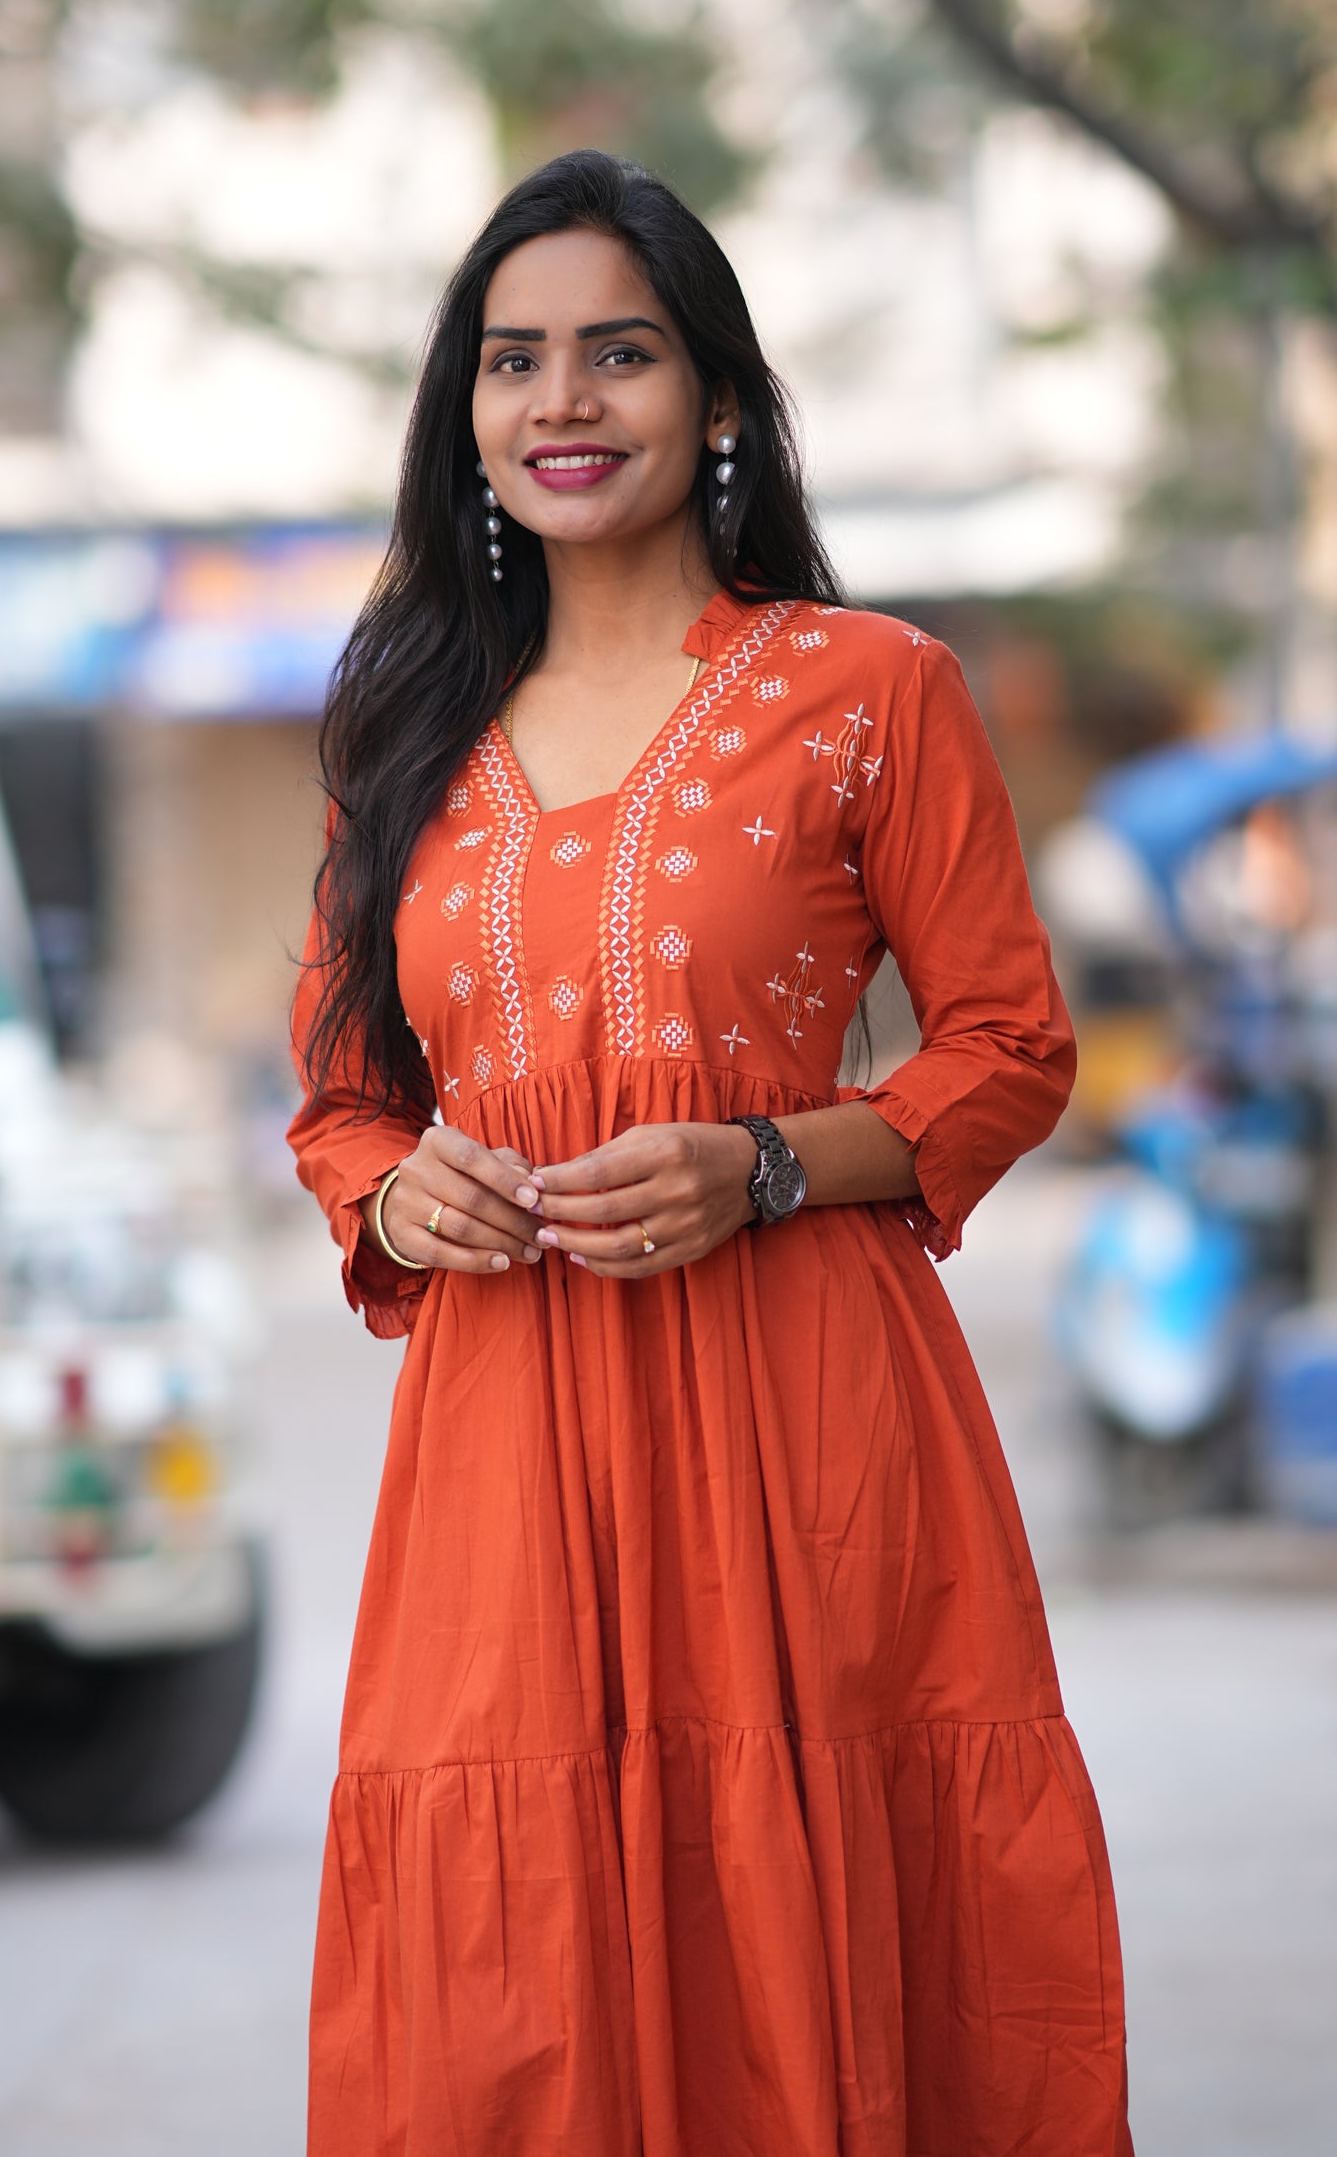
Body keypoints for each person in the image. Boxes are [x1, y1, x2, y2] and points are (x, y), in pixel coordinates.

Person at [288, 148, 1133, 2157]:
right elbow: (340, 1097)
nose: (561, 402)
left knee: (822, 1906)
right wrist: (396, 1187)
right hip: (504, 1443)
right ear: (464, 410)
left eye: (621, 352)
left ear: (725, 399)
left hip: (805, 1423)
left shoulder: (871, 692)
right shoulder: (402, 720)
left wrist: (765, 1161)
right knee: (509, 1971)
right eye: (513, 361)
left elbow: (1012, 1044)